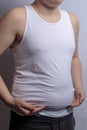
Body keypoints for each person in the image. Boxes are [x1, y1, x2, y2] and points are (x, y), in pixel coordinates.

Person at [0, 0, 85, 130]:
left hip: (66, 118)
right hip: (31, 121)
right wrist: (9, 100)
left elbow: (74, 57)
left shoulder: (72, 20)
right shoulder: (18, 17)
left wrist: (78, 86)